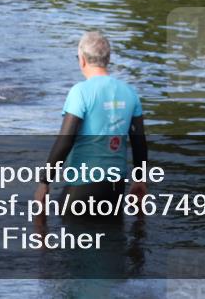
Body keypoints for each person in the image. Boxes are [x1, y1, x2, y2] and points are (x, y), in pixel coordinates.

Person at [34, 31, 148, 219]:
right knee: (112, 242)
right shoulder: (130, 93)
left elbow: (65, 140)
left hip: (82, 187)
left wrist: (44, 182)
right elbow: (139, 142)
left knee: (53, 230)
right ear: (108, 59)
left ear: (82, 60)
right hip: (115, 189)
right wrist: (140, 180)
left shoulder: (80, 92)